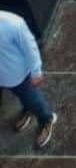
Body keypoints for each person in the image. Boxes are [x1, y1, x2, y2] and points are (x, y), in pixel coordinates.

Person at [0, 10, 57, 150]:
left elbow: (30, 48)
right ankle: (28, 109)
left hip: (18, 75)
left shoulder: (14, 24)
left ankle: (46, 119)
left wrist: (36, 72)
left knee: (32, 99)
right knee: (25, 99)